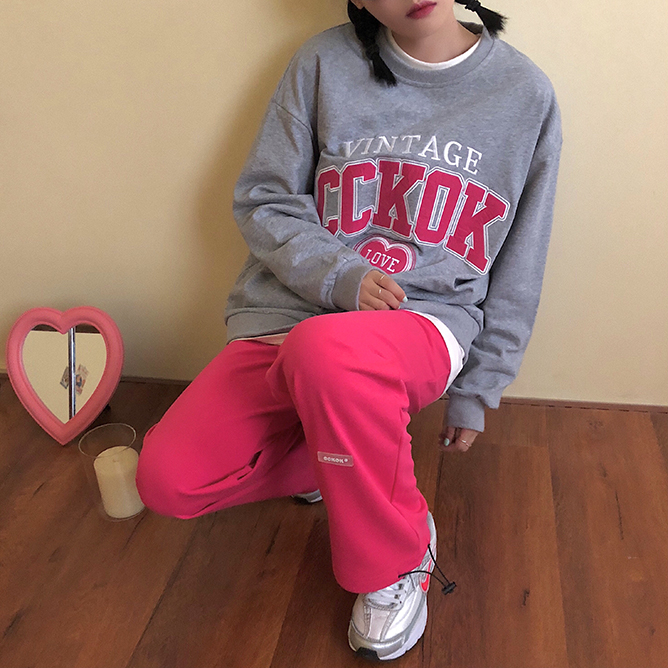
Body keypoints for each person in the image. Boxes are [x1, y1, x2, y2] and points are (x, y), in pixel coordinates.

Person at [136, 0, 562, 661]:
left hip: (424, 320)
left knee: (328, 354)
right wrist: (339, 275)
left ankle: (398, 555)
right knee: (167, 481)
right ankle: (344, 458)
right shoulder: (322, 63)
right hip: (296, 310)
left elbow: (520, 259)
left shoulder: (523, 92)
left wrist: (480, 387)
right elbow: (263, 199)